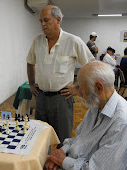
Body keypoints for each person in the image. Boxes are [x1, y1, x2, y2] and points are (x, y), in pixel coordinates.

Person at [26, 5, 94, 144]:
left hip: (62, 98)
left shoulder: (73, 41)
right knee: (39, 137)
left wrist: (78, 88)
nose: (42, 24)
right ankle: (44, 163)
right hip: (41, 97)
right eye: (40, 21)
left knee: (62, 140)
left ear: (58, 20)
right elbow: (30, 62)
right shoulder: (37, 41)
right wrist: (32, 83)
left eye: (46, 20)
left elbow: (91, 66)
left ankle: (60, 163)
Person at [45, 61, 127, 170]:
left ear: (98, 87)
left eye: (81, 88)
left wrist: (62, 161)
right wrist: (60, 154)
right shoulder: (96, 104)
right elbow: (78, 137)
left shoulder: (121, 121)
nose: (79, 93)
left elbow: (96, 168)